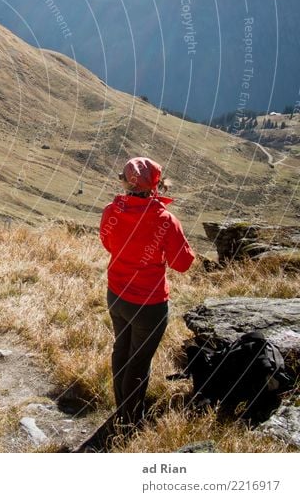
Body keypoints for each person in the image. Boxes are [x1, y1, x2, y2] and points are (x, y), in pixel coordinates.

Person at [99, 156, 195, 434]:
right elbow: (183, 263)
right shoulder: (165, 219)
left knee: (121, 349)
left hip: (116, 294)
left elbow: (107, 242)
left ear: (125, 181)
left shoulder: (111, 210)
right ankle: (130, 422)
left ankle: (122, 411)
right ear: (157, 184)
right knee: (139, 361)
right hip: (149, 305)